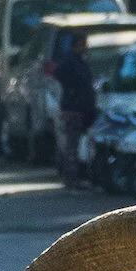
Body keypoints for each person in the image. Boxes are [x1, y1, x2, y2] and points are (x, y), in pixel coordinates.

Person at [53, 30, 96, 187]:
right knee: (72, 145)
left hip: (81, 108)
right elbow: (63, 76)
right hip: (73, 109)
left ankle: (75, 176)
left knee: (74, 145)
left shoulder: (80, 62)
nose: (84, 48)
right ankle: (71, 178)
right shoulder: (70, 62)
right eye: (82, 45)